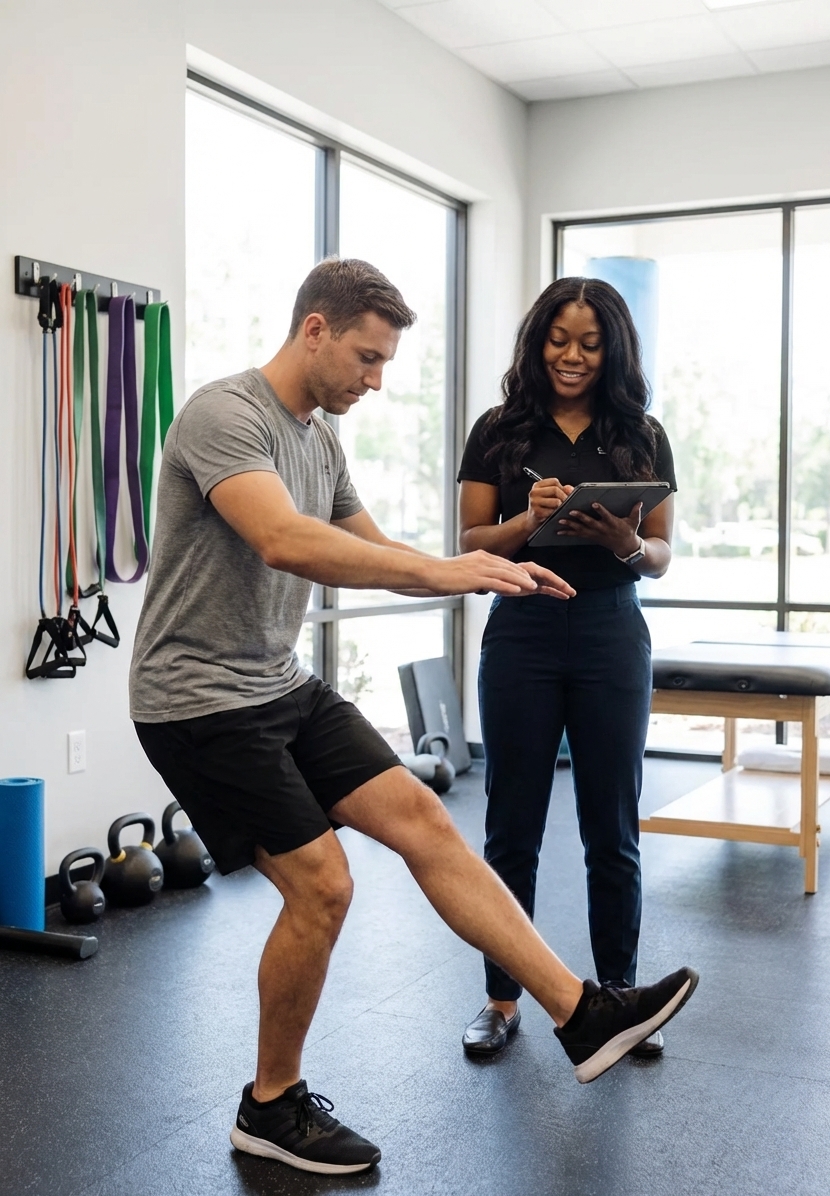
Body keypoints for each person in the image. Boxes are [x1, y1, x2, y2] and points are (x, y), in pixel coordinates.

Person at [130, 259, 697, 1178]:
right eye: (366, 357)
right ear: (315, 330)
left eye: (385, 362)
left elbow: (375, 547)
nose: (375, 380)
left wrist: (485, 566)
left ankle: (582, 1014)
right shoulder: (224, 416)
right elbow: (285, 540)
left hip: (277, 684)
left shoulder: (318, 440)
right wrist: (451, 568)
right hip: (199, 698)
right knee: (323, 885)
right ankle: (270, 1106)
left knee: (428, 822)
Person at [458, 276, 677, 1060]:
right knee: (511, 830)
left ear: (612, 348)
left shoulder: (642, 434)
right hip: (522, 632)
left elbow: (658, 554)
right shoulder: (498, 430)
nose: (573, 356)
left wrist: (622, 540)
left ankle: (618, 997)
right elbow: (472, 544)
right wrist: (531, 519)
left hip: (611, 636)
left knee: (611, 830)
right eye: (559, 340)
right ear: (536, 341)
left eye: (589, 343)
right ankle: (501, 999)